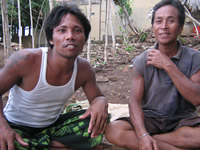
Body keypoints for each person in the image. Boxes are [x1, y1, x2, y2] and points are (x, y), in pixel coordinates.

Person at [0, 4, 108, 150]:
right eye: (62, 30)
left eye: (77, 31)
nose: (70, 36)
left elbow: (97, 98)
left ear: (84, 39)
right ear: (51, 38)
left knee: (100, 120)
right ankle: (54, 145)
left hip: (52, 128)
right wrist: (3, 128)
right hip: (15, 126)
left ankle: (41, 143)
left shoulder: (84, 69)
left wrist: (101, 101)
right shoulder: (25, 60)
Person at [105, 0, 200, 149]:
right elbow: (135, 101)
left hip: (182, 121)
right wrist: (143, 133)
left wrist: (168, 65)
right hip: (151, 119)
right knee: (113, 130)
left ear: (181, 27)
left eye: (171, 21)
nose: (164, 27)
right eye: (159, 21)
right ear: (153, 27)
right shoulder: (142, 60)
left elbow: (196, 99)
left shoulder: (195, 58)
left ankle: (152, 142)